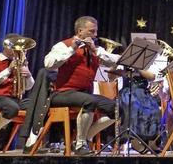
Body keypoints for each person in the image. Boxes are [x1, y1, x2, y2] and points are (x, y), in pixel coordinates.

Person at [33, 16, 119, 156]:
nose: (96, 35)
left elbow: (116, 61)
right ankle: (80, 146)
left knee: (117, 109)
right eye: (92, 31)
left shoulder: (95, 49)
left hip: (85, 94)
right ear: (80, 31)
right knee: (89, 101)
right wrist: (72, 49)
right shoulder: (64, 45)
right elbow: (48, 64)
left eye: (96, 31)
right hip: (61, 93)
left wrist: (96, 51)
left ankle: (84, 138)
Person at [0, 33, 35, 154]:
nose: (18, 50)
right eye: (14, 46)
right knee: (11, 108)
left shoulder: (19, 63)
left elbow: (29, 86)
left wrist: (28, 75)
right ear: (6, 46)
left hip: (13, 98)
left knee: (38, 105)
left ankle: (31, 143)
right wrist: (8, 69)